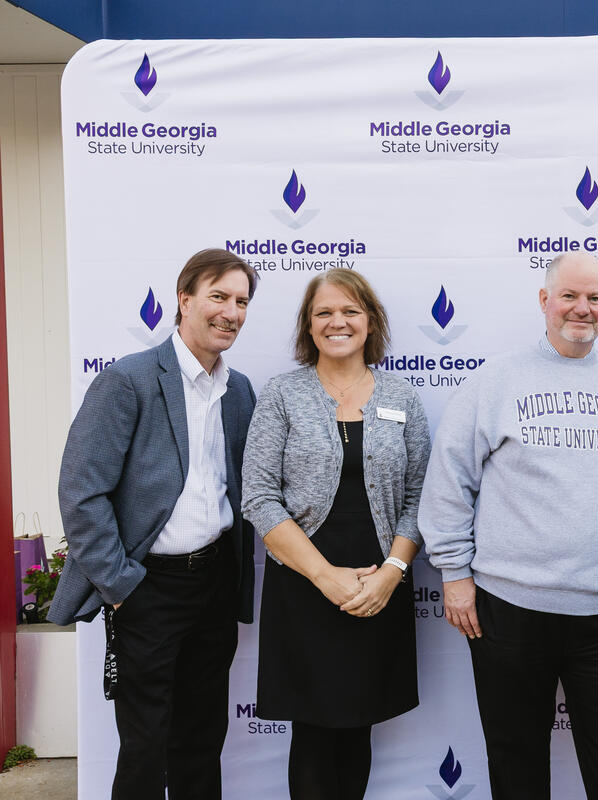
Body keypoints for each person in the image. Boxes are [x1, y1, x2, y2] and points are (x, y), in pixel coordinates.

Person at [419, 252, 598, 800]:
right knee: (517, 759)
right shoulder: (497, 380)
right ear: (544, 302)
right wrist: (455, 572)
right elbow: (449, 479)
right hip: (509, 611)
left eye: (595, 298)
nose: (583, 309)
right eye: (570, 296)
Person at [50, 248, 258, 800]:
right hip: (147, 589)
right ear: (184, 300)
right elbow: (82, 491)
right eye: (218, 297)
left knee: (202, 738)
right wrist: (120, 587)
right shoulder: (129, 380)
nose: (231, 312)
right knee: (144, 746)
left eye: (241, 301)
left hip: (214, 583)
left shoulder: (238, 391)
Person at [241, 270, 430, 800]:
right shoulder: (283, 394)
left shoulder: (402, 398)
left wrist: (391, 574)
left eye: (350, 311)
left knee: (359, 723)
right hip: (303, 583)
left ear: (370, 321)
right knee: (313, 729)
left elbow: (420, 499)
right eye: (323, 312)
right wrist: (325, 577)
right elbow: (258, 496)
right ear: (308, 325)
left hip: (379, 583)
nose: (337, 322)